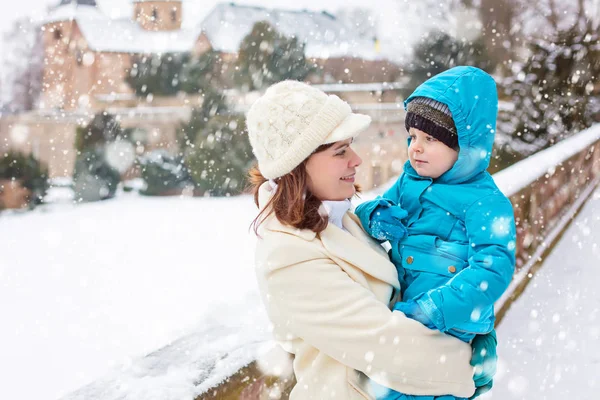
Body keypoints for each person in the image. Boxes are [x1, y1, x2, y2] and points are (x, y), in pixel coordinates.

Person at [246, 80, 496, 400]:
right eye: (341, 151)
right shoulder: (288, 256)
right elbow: (386, 344)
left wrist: (475, 328)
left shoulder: (340, 220)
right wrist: (469, 364)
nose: (356, 160)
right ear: (298, 165)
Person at [355, 66, 516, 400]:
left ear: (465, 146)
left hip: (451, 330)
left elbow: (493, 266)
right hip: (402, 321)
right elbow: (368, 208)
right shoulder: (408, 182)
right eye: (413, 137)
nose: (416, 148)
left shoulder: (484, 201)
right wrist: (375, 215)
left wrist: (438, 308)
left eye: (430, 139)